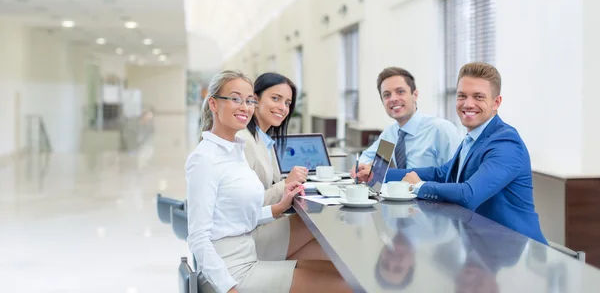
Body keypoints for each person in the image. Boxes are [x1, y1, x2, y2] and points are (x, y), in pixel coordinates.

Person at [187, 70, 351, 293]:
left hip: (247, 250)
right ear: (214, 104)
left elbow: (236, 215)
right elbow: (198, 237)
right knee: (344, 287)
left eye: (249, 101)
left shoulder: (235, 149)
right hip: (231, 270)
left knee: (341, 274)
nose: (245, 107)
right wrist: (229, 288)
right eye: (236, 99)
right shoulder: (204, 159)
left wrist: (276, 208)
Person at [359, 62, 546, 244]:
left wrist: (418, 187)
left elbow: (470, 194)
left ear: (496, 102)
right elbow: (440, 174)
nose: (468, 103)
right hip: (483, 244)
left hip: (515, 249)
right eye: (462, 96)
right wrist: (378, 174)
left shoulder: (506, 142)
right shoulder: (473, 138)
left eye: (478, 97)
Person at [351, 67, 461, 179]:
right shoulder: (391, 132)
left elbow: (456, 176)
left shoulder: (441, 129)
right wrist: (362, 168)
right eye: (387, 95)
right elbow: (367, 156)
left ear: (415, 95)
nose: (393, 98)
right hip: (398, 195)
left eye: (400, 92)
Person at [237, 72, 308, 205]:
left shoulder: (265, 140)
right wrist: (286, 183)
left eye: (287, 103)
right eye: (275, 98)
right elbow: (248, 203)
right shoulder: (244, 142)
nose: (282, 108)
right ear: (255, 100)